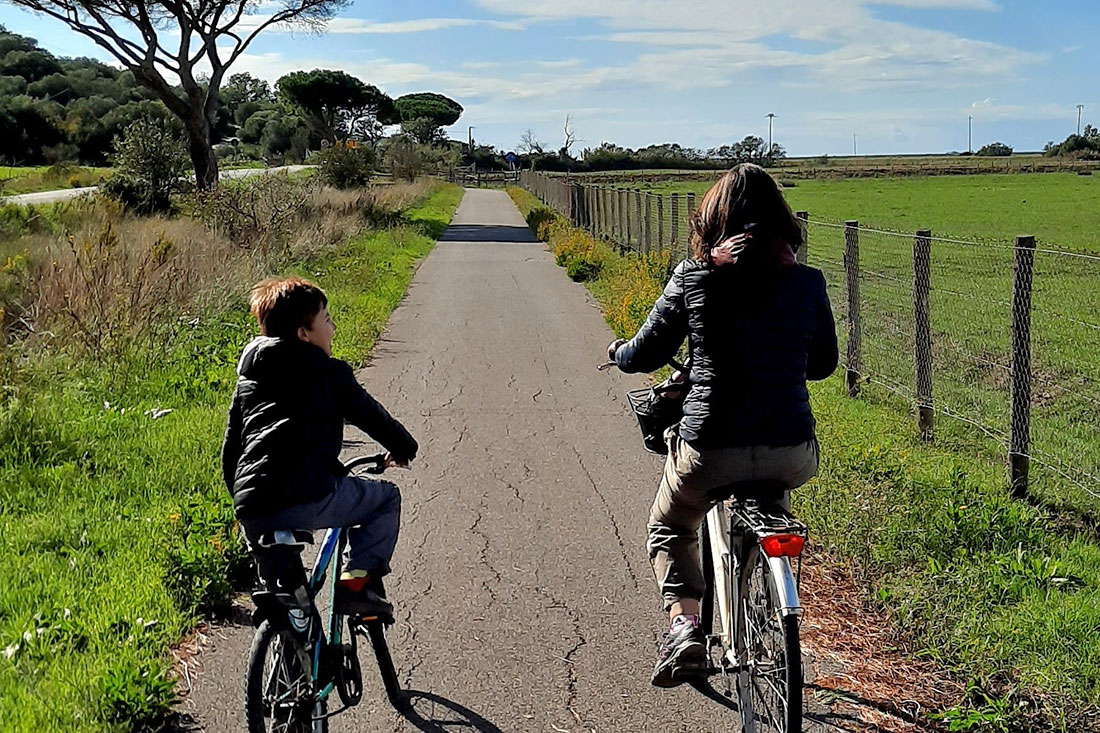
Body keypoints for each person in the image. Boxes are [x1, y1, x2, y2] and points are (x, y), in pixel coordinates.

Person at [608, 164, 838, 687]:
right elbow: (822, 365)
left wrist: (619, 353)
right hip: (791, 449)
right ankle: (760, 595)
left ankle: (686, 627)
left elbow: (646, 354)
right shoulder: (807, 281)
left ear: (715, 222)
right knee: (771, 496)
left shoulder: (694, 276)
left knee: (670, 524)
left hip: (710, 446)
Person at [221, 276, 419, 616]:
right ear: (304, 333)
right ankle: (357, 585)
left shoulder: (250, 379)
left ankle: (290, 648)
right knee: (385, 499)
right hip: (307, 495)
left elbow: (231, 452)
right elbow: (371, 417)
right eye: (326, 320)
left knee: (289, 605)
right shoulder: (329, 372)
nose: (334, 327)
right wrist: (404, 446)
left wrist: (244, 501)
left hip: (253, 505)